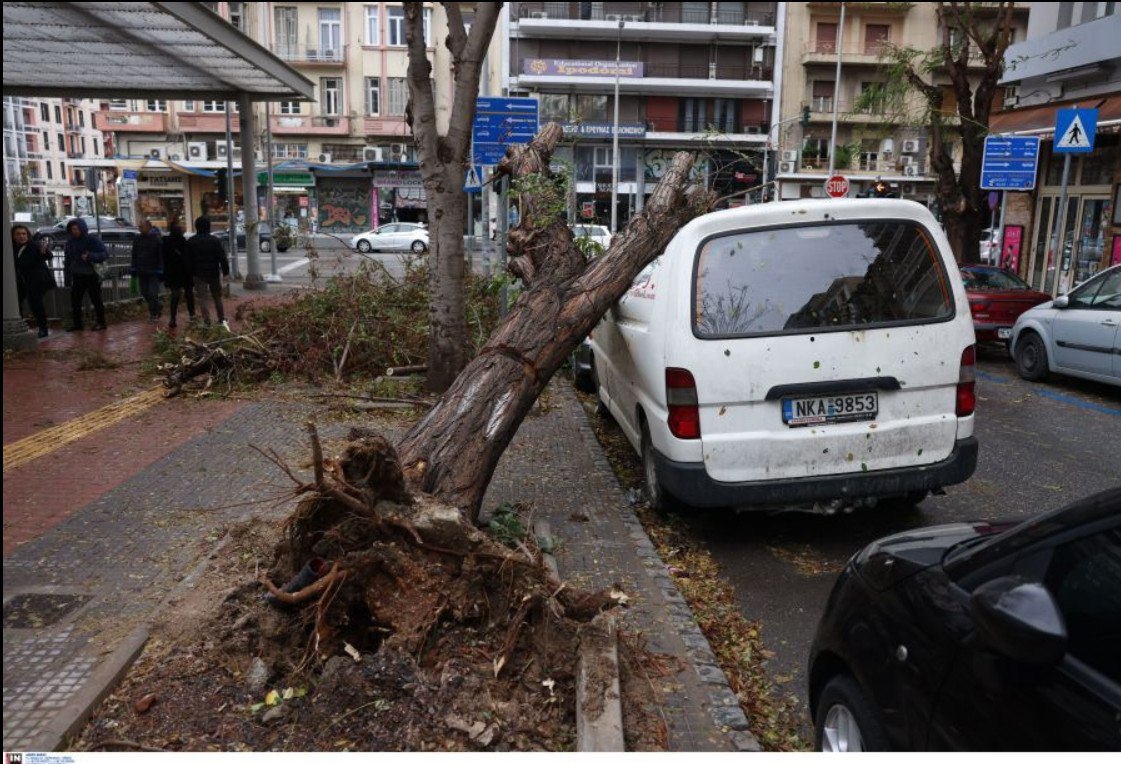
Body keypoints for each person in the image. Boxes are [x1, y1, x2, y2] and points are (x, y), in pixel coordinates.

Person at [63, 217, 108, 331]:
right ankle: (78, 324)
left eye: (77, 229)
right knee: (75, 300)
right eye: (73, 229)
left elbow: (105, 254)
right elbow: (68, 260)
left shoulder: (91, 239)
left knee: (96, 300)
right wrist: (67, 278)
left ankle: (101, 322)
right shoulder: (70, 242)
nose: (75, 231)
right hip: (77, 275)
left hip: (91, 274)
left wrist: (90, 256)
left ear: (82, 228)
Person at [185, 216, 230, 328]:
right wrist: (226, 272)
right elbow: (222, 257)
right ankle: (221, 319)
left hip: (198, 274)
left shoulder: (191, 242)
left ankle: (207, 321)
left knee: (203, 298)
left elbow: (188, 260)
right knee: (217, 297)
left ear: (196, 227)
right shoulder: (215, 241)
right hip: (213, 273)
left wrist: (190, 274)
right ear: (208, 227)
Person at [13, 225, 55, 338]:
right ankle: (19, 325)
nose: (21, 236)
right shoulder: (12, 248)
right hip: (21, 280)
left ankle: (43, 328)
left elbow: (48, 255)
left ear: (27, 235)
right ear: (13, 236)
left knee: (36, 304)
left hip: (37, 280)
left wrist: (44, 251)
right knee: (15, 303)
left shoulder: (33, 245)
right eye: (18, 234)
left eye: (23, 234)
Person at [162, 222, 195, 331]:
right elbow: (189, 258)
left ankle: (173, 319)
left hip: (172, 273)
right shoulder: (184, 242)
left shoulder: (166, 243)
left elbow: (163, 259)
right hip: (186, 273)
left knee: (175, 296)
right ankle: (192, 316)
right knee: (189, 295)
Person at [130, 219, 164, 322]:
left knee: (153, 293)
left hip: (153, 271)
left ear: (149, 227)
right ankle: (158, 306)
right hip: (142, 270)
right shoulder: (137, 239)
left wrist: (160, 269)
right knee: (145, 292)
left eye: (142, 226)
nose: (140, 228)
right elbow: (134, 254)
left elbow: (160, 256)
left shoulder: (156, 240)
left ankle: (154, 314)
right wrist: (133, 268)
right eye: (139, 227)